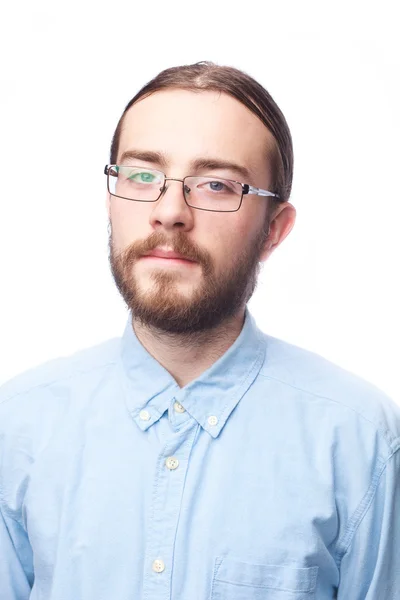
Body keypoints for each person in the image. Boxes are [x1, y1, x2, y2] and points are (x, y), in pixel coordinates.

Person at [0, 61, 399, 600]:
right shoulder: (18, 426)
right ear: (112, 199)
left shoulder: (360, 442)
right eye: (142, 175)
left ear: (273, 231)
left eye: (216, 185)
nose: (169, 213)